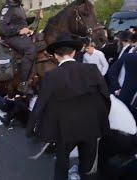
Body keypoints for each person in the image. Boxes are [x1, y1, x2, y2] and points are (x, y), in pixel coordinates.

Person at [33, 34, 111, 180]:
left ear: (56, 55)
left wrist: (32, 127)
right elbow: (105, 97)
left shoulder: (51, 76)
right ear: (74, 52)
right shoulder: (92, 69)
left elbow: (41, 104)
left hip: (65, 130)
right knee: (87, 168)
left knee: (62, 164)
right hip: (90, 127)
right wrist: (101, 120)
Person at [0, 0, 37, 94]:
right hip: (11, 37)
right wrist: (19, 31)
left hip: (19, 36)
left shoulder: (19, 6)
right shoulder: (8, 8)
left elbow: (21, 22)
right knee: (30, 49)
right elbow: (2, 29)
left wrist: (36, 18)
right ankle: (23, 83)